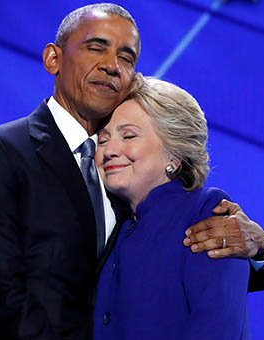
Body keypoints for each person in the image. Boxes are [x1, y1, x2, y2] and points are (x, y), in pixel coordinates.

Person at [0, 3, 264, 339]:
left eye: (127, 58)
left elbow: (199, 275)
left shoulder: (133, 181)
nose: (113, 66)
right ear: (53, 59)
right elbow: (4, 296)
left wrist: (262, 249)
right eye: (96, 47)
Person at [94, 76, 249, 339]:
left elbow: (217, 327)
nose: (109, 150)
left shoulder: (206, 212)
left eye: (129, 135)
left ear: (174, 155)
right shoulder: (110, 223)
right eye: (103, 139)